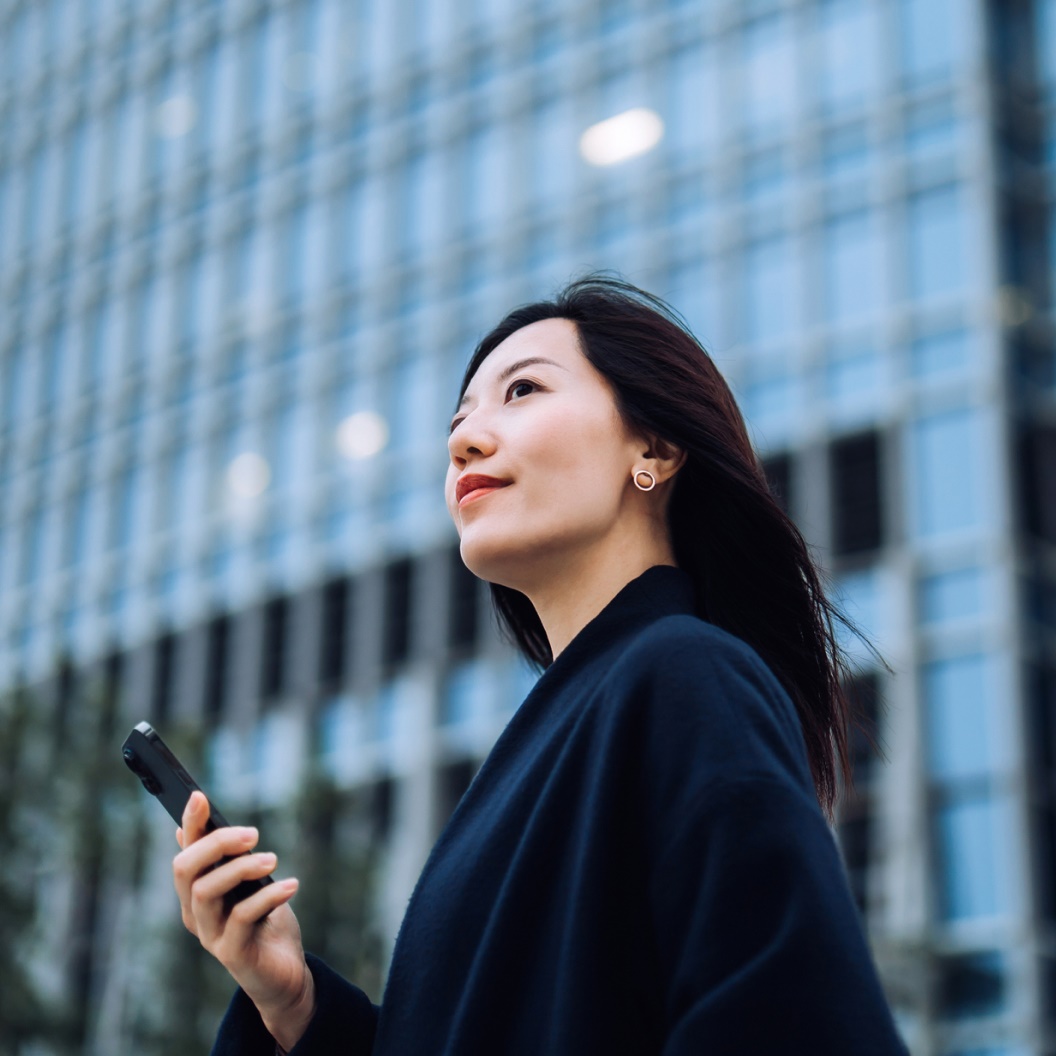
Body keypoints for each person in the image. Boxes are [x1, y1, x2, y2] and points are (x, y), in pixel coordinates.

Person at [173, 275, 910, 1055]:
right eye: (460, 420)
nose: (464, 439)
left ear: (654, 448)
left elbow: (788, 1018)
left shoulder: (685, 675)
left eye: (521, 390)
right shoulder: (555, 738)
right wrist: (294, 1003)